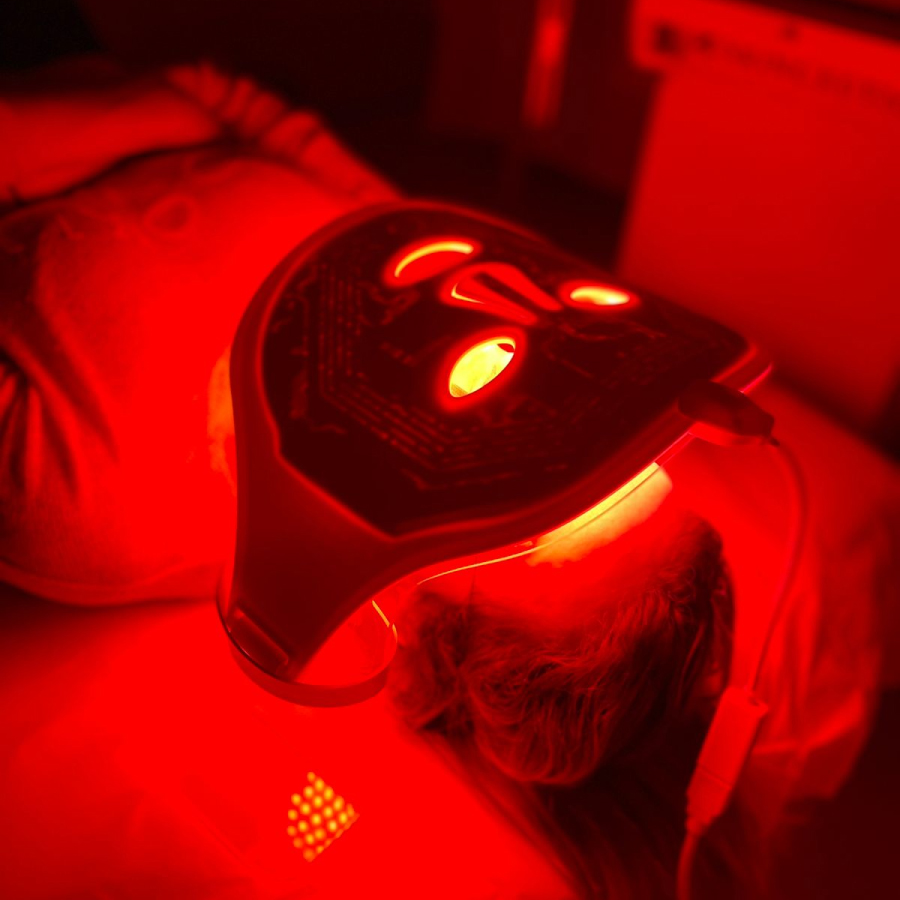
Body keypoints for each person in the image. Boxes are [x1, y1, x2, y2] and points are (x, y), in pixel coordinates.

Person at [1, 58, 894, 900]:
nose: (542, 423)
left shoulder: (84, 499)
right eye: (616, 463)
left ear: (410, 610)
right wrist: (160, 112)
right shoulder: (414, 277)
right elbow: (228, 94)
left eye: (532, 509)